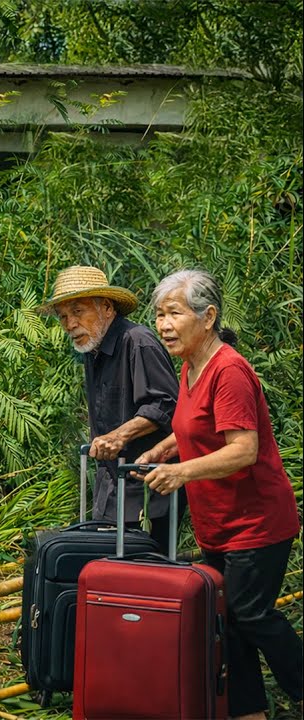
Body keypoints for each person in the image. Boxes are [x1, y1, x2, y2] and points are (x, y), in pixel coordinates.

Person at [135, 269, 302, 720]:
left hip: (257, 521)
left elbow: (243, 450)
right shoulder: (191, 365)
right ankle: (249, 712)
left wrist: (182, 472)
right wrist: (163, 448)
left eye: (174, 313)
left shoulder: (228, 371)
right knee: (226, 618)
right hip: (219, 523)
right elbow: (194, 426)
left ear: (207, 317)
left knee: (251, 614)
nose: (164, 325)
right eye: (159, 315)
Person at [41, 265, 180, 545]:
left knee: (144, 575)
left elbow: (166, 405)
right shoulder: (93, 350)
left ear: (106, 308)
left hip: (147, 488)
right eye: (64, 317)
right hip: (110, 488)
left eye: (78, 312)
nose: (70, 324)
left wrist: (119, 435)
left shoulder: (137, 342)